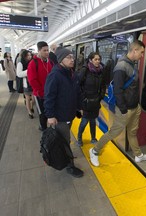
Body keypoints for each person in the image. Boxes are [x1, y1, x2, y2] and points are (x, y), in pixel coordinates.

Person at [89, 40, 146, 166]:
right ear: (134, 50)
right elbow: (117, 90)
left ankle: (138, 155)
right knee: (114, 132)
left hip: (135, 106)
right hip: (125, 109)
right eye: (141, 52)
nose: (142, 55)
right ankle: (95, 150)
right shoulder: (121, 67)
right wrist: (123, 108)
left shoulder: (132, 64)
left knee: (133, 132)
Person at [44, 48, 83, 178]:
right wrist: (50, 115)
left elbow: (76, 93)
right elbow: (49, 96)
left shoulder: (71, 73)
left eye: (72, 57)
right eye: (68, 57)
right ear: (61, 60)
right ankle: (70, 166)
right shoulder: (55, 75)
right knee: (65, 142)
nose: (72, 60)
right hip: (60, 116)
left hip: (69, 114)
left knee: (65, 140)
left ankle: (67, 161)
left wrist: (79, 107)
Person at [76, 52, 106, 146]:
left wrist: (101, 96)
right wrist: (83, 98)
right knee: (84, 121)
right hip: (86, 101)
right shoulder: (85, 71)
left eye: (99, 59)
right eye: (95, 59)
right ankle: (79, 138)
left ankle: (93, 138)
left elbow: (103, 85)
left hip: (95, 101)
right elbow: (78, 85)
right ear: (90, 60)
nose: (98, 61)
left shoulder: (101, 71)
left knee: (93, 121)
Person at [27, 41, 54, 131]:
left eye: (48, 50)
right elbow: (32, 81)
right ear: (39, 51)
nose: (47, 52)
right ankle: (43, 129)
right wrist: (42, 92)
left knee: (49, 112)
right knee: (42, 114)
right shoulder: (33, 63)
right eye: (44, 50)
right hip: (40, 95)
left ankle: (48, 128)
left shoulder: (49, 62)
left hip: (50, 93)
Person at [16, 50, 35, 119]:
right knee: (27, 98)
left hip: (33, 82)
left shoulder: (33, 62)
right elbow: (19, 74)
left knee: (34, 99)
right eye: (27, 55)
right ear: (24, 56)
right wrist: (29, 70)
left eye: (30, 55)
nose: (29, 57)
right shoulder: (20, 63)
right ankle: (29, 112)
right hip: (26, 83)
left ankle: (32, 107)